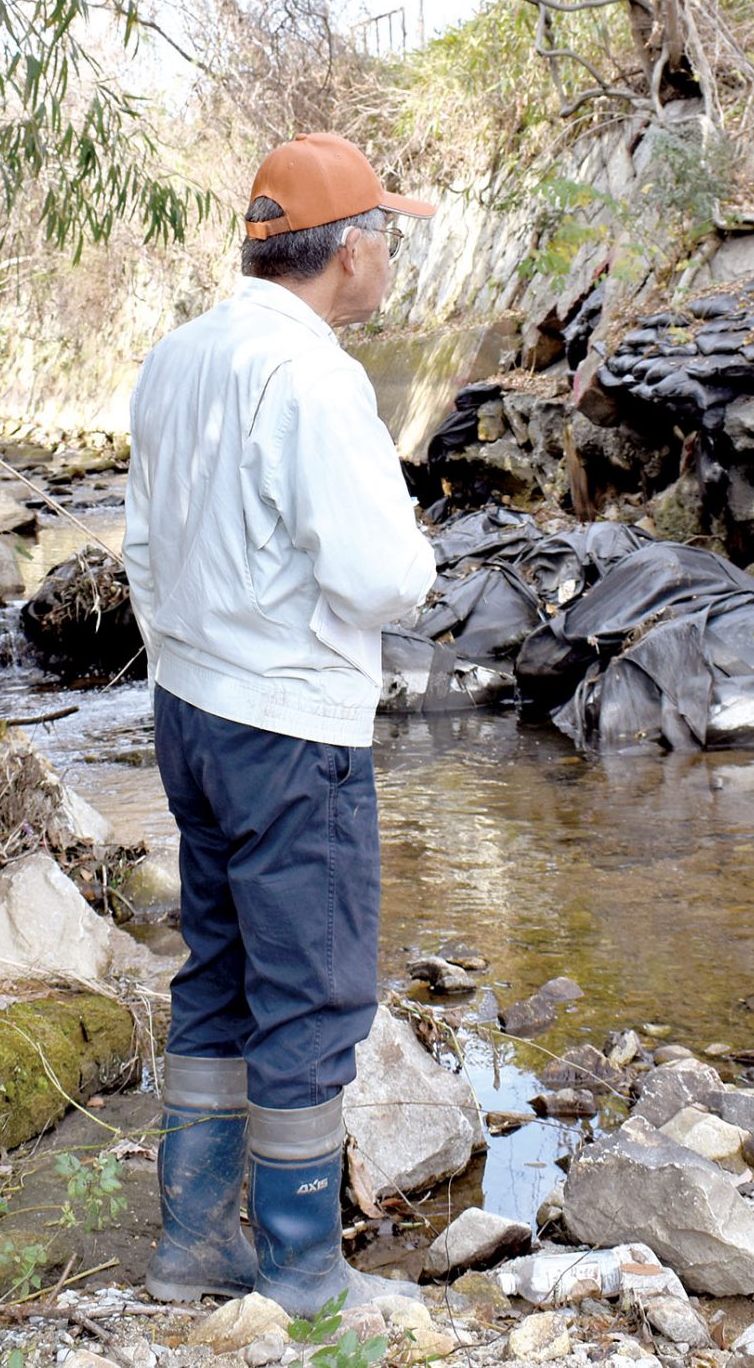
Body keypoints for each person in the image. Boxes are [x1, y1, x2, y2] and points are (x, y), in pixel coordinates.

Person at [123, 132, 440, 1315]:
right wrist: (422, 562)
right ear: (347, 250)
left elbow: (144, 548)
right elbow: (372, 573)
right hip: (288, 722)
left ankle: (193, 1241)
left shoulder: (180, 354)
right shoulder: (311, 375)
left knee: (219, 964)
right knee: (311, 985)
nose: (390, 252)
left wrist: (186, 655)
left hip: (192, 708)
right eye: (387, 233)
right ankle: (306, 1269)